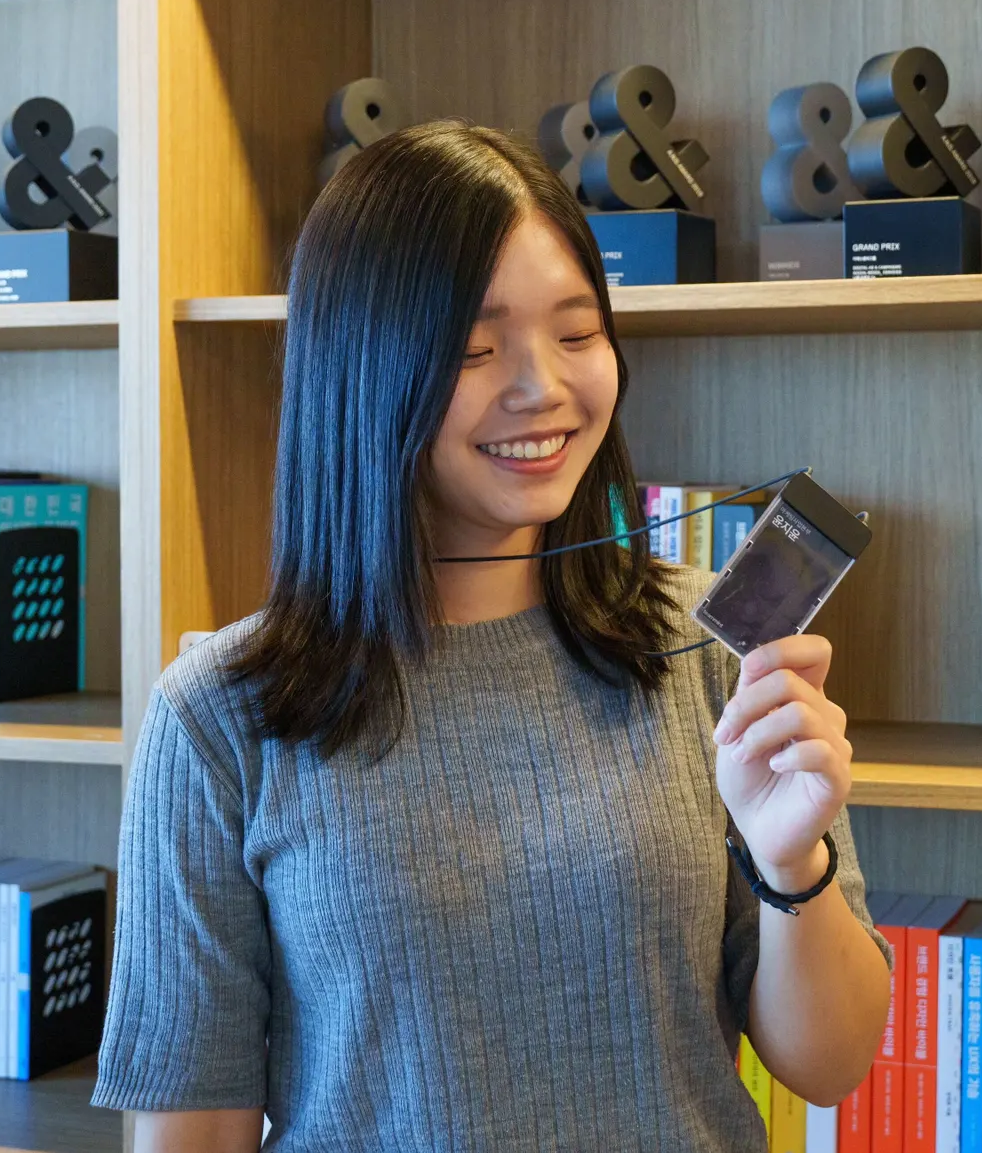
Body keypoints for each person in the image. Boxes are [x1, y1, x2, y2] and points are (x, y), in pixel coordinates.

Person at [93, 121, 892, 1151]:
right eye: (475, 348)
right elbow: (192, 1132)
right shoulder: (220, 716)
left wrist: (791, 862)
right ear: (360, 370)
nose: (542, 387)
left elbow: (831, 1062)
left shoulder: (705, 649)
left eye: (576, 333)